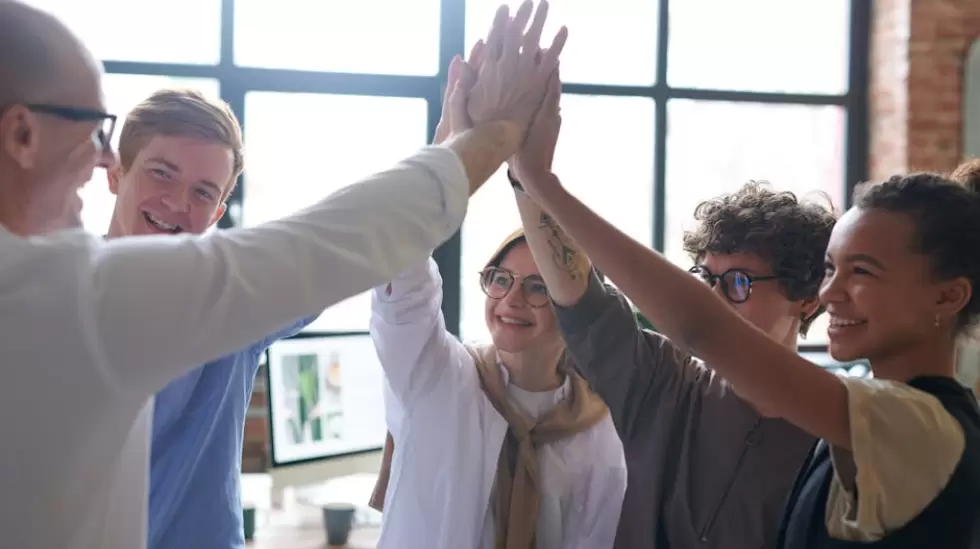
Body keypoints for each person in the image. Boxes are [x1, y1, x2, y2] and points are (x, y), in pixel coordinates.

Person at [0, 1, 566, 548]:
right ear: (23, 135)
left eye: (203, 191)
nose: (100, 154)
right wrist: (496, 133)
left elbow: (342, 249)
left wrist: (452, 144)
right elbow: (331, 242)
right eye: (95, 130)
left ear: (220, 210)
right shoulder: (82, 295)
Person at [510, 114, 980, 546]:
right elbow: (587, 302)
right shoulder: (841, 424)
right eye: (832, 269)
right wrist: (526, 179)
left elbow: (701, 327)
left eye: (863, 272)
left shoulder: (914, 425)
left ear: (947, 296)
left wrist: (542, 181)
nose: (834, 290)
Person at [508, 71, 833, 549]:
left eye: (739, 282)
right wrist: (524, 177)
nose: (713, 298)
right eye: (705, 278)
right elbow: (580, 295)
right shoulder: (665, 381)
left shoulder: (835, 425)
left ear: (808, 299)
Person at [100, 88, 317, 549]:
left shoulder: (237, 299)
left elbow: (334, 255)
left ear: (218, 212)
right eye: (161, 173)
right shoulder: (54, 291)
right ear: (116, 175)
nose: (179, 203)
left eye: (202, 192)